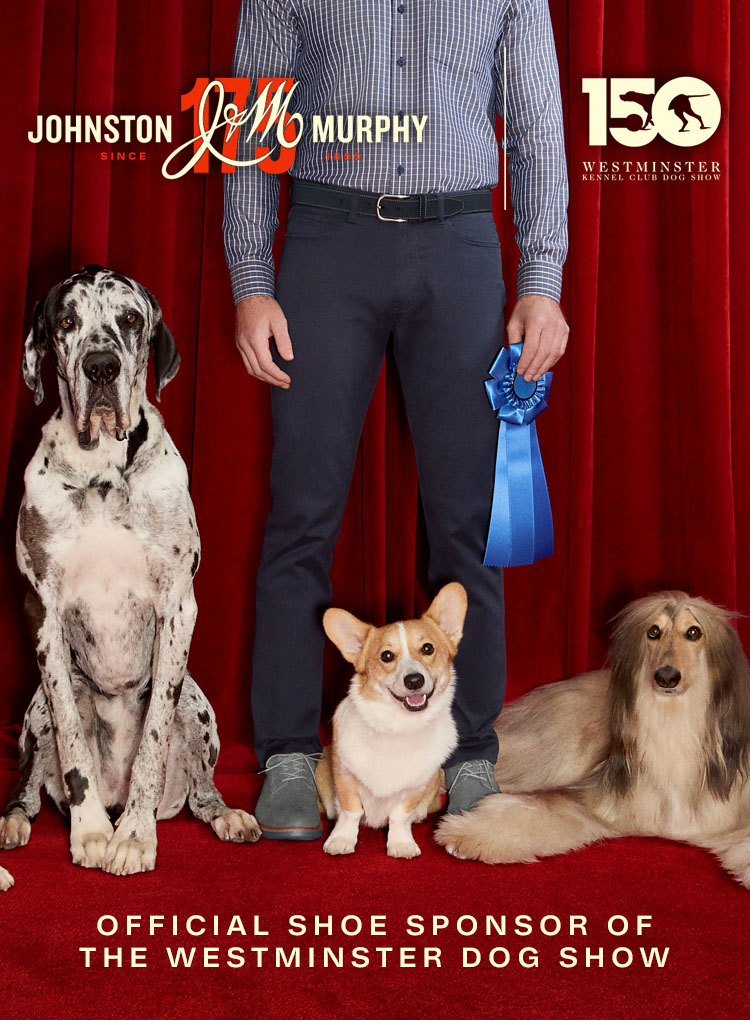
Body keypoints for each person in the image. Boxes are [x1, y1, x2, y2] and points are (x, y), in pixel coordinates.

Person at [224, 0, 569, 840]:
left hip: (459, 244)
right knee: (303, 511)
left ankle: (470, 754)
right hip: (326, 241)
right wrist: (250, 278)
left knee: (471, 520)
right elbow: (248, 120)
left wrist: (544, 277)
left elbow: (535, 127)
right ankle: (286, 757)